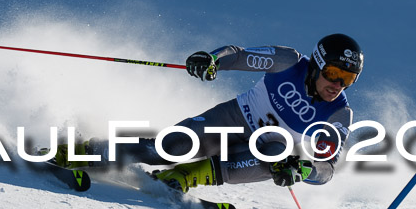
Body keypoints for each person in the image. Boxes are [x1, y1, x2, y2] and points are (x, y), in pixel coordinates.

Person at [56, 34, 364, 193]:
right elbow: (240, 55)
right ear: (317, 64)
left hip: (264, 150)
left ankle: (185, 177)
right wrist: (213, 59)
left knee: (280, 154)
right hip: (233, 119)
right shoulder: (288, 62)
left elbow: (327, 169)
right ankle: (87, 151)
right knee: (170, 148)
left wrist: (302, 170)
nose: (337, 84)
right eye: (334, 73)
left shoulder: (339, 114)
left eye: (348, 79)